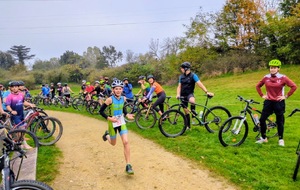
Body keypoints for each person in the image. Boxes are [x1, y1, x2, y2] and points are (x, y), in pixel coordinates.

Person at [255, 59, 297, 146]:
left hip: (278, 102)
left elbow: (294, 86)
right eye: (271, 67)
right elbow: (258, 86)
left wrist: (285, 96)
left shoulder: (283, 77)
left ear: (278, 69)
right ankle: (264, 138)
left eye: (274, 68)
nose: (272, 69)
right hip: (268, 102)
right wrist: (262, 95)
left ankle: (281, 139)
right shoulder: (266, 77)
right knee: (262, 120)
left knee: (279, 121)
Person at [99, 79, 135, 175]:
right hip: (112, 124)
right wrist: (109, 118)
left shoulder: (123, 98)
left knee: (126, 142)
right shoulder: (109, 99)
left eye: (120, 89)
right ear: (113, 90)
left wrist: (127, 114)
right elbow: (101, 111)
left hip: (121, 122)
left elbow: (123, 108)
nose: (118, 90)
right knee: (113, 143)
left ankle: (128, 165)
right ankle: (107, 135)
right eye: (116, 89)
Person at [176, 62, 214, 129]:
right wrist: (178, 94)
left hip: (189, 94)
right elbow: (179, 86)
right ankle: (188, 126)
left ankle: (193, 114)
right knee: (186, 112)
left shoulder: (193, 75)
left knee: (192, 101)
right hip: (182, 95)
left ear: (185, 68)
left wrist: (206, 91)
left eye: (182, 68)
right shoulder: (181, 77)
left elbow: (199, 84)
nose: (181, 69)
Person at [6, 81, 35, 149]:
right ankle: (25, 144)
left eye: (16, 86)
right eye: (12, 87)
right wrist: (11, 111)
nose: (14, 88)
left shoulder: (21, 95)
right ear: (10, 88)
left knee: (22, 129)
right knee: (21, 129)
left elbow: (23, 102)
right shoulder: (10, 96)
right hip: (15, 116)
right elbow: (7, 106)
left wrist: (30, 104)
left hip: (21, 114)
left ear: (18, 87)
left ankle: (18, 143)